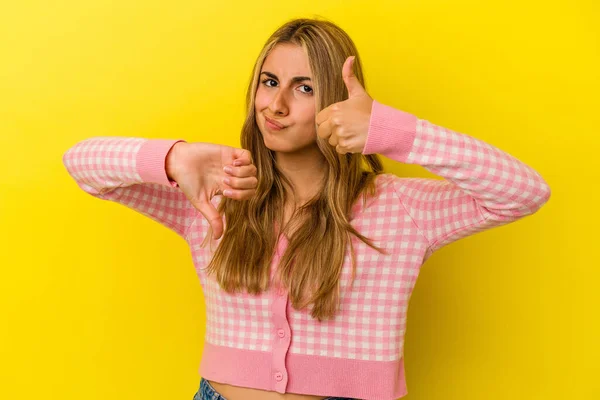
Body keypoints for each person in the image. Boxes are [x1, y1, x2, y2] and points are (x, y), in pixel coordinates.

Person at [62, 17, 551, 400]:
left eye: (304, 88)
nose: (275, 105)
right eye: (269, 81)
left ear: (337, 103)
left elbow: (524, 191)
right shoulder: (219, 191)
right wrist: (173, 157)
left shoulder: (399, 207)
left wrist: (392, 131)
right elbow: (81, 165)